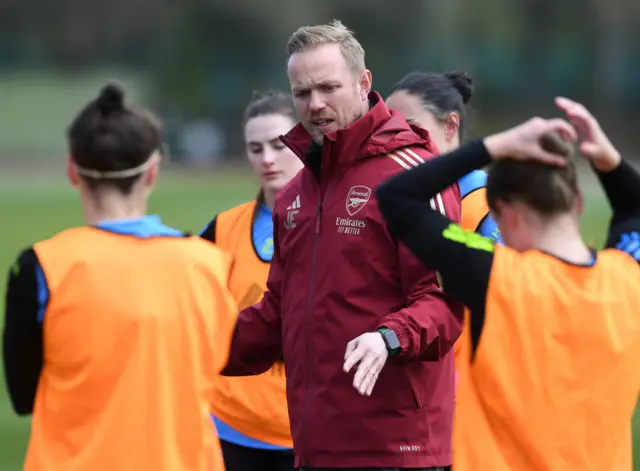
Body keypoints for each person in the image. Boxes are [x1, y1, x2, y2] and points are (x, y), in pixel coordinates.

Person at [222, 20, 463, 471]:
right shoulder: (297, 193)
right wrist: (195, 346)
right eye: (302, 93)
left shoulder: (414, 175)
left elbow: (445, 299)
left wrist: (388, 337)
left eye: (329, 88)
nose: (315, 105)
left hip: (398, 449)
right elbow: (278, 311)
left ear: (363, 82)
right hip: (314, 447)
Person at [376, 97, 640, 470]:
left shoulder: (494, 277)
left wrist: (494, 145)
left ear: (505, 216)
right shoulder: (628, 276)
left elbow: (396, 197)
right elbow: (634, 211)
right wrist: (608, 161)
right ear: (578, 202)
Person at [2, 82, 237, 471]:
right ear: (152, 172)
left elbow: (23, 395)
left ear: (72, 170)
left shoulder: (40, 268)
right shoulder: (209, 264)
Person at [199, 91, 302, 471]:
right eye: (255, 148)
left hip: (315, 430)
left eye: (279, 144)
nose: (267, 159)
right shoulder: (223, 228)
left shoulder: (347, 222)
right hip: (230, 430)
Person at [386, 70, 502, 243]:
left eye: (408, 127)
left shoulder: (488, 198)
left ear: (450, 125)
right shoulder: (388, 193)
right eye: (387, 130)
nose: (393, 139)